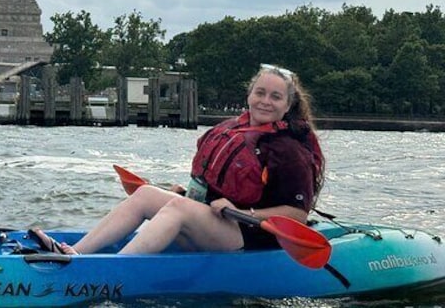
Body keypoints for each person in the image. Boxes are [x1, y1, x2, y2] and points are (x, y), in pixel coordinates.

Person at [31, 64, 325, 255]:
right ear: (249, 95)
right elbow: (215, 186)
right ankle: (75, 253)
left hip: (252, 237)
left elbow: (297, 214)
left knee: (178, 211)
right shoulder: (235, 130)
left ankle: (112, 269)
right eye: (260, 92)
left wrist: (244, 211)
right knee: (147, 194)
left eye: (275, 97)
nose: (265, 101)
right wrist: (186, 193)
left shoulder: (290, 150)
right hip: (218, 222)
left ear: (288, 106)